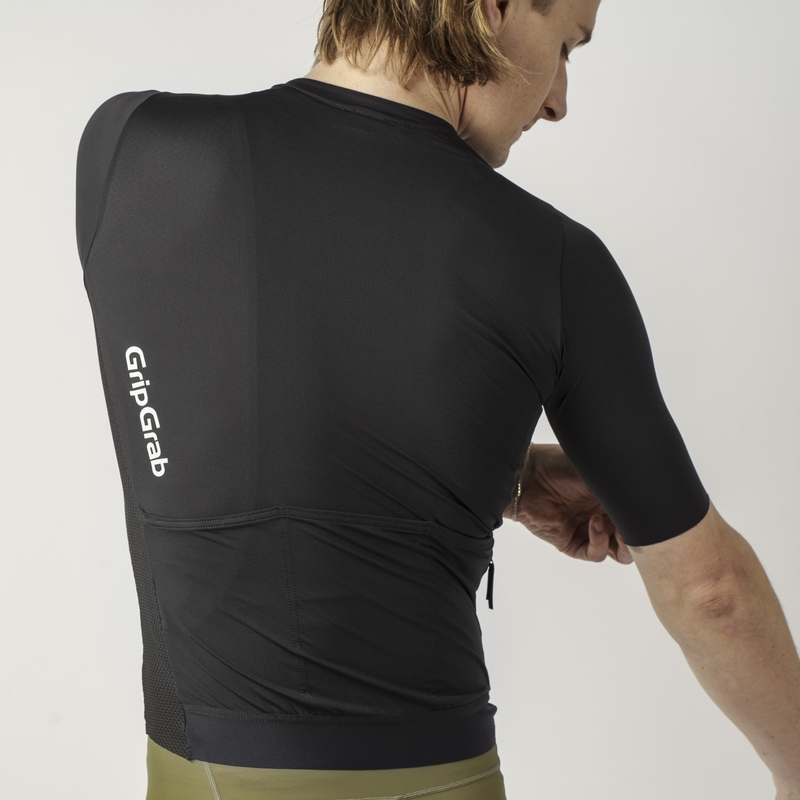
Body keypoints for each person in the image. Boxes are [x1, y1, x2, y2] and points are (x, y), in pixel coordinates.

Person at [74, 0, 800, 797]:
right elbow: (711, 592)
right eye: (565, 47)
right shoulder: (552, 261)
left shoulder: (128, 149)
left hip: (190, 771)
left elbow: (226, 411)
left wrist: (505, 479)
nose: (558, 100)